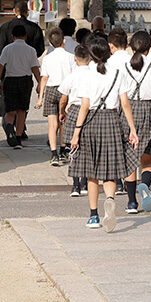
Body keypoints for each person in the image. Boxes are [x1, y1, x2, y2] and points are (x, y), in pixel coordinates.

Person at [67, 36, 141, 233]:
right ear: (108, 53)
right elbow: (125, 103)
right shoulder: (117, 73)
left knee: (92, 173)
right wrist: (132, 129)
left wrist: (76, 132)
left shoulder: (86, 75)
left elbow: (84, 106)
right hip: (112, 122)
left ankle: (93, 215)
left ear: (90, 55)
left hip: (91, 123)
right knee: (109, 170)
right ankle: (110, 199)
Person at [123, 29, 151, 213]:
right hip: (149, 110)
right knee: (147, 159)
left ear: (131, 48)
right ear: (150, 48)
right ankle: (145, 186)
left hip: (128, 111)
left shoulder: (123, 66)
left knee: (130, 158)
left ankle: (132, 202)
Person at [0, 22, 41, 148]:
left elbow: (0, 66)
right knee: (22, 110)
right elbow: (35, 68)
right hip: (25, 81)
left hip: (10, 80)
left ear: (13, 36)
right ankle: (18, 138)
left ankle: (9, 129)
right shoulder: (31, 50)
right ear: (25, 36)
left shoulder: (7, 49)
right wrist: (39, 82)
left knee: (10, 110)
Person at [58, 42, 95, 197]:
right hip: (91, 111)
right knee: (88, 148)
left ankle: (75, 185)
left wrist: (61, 112)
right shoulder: (94, 75)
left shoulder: (72, 76)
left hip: (74, 110)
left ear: (75, 59)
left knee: (74, 148)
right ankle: (85, 182)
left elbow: (63, 97)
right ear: (91, 59)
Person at [38, 27, 77, 165]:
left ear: (50, 43)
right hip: (66, 91)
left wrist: (40, 98)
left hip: (50, 90)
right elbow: (74, 77)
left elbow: (44, 78)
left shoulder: (47, 58)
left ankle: (53, 154)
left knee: (52, 124)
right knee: (63, 123)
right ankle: (63, 150)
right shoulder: (71, 57)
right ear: (64, 41)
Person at [0, 2, 45, 68]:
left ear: (14, 11)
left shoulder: (5, 27)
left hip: (8, 67)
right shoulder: (35, 28)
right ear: (27, 12)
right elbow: (40, 49)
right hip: (26, 66)